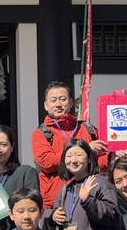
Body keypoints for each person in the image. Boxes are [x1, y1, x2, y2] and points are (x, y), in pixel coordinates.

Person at [31, 81, 109, 209]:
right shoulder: (40, 133)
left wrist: (112, 158)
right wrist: (86, 149)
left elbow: (99, 160)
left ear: (71, 102)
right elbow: (46, 163)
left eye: (63, 99)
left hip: (89, 196)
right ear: (46, 105)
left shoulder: (87, 129)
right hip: (56, 204)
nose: (58, 104)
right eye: (53, 100)